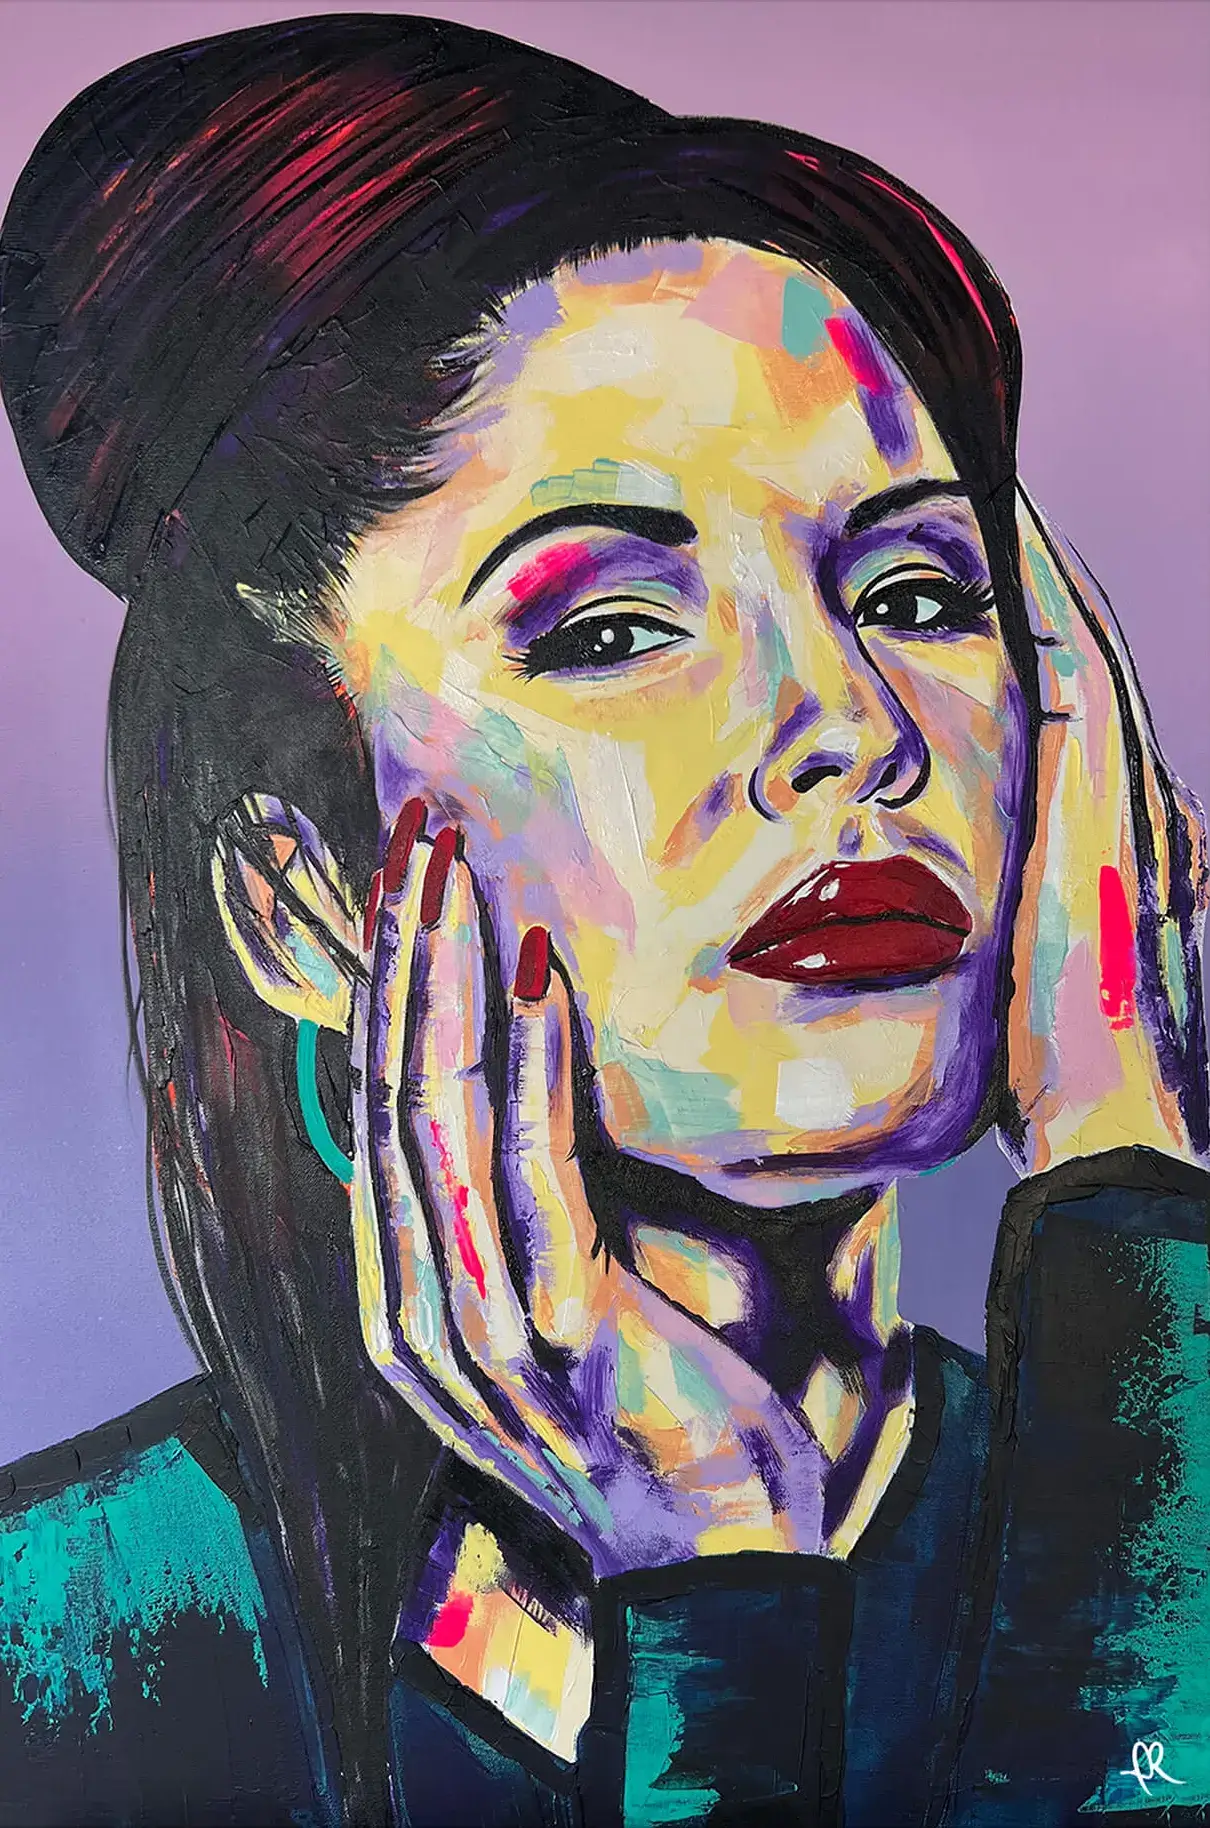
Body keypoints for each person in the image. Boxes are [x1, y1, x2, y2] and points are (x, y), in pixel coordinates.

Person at [1, 15, 1207, 1827]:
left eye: (912, 590)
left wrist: (1128, 1161)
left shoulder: (1152, 1474)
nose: (854, 732)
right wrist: (712, 1564)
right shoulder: (71, 1643)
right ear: (301, 895)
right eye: (612, 630)